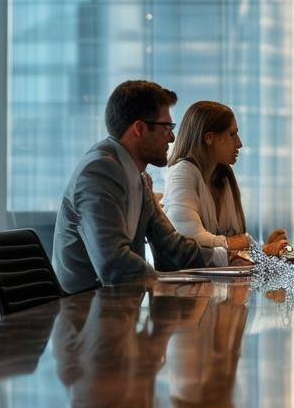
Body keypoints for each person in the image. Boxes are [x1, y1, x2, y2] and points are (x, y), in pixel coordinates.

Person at [52, 80, 227, 294]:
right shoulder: (98, 173)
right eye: (167, 127)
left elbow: (170, 248)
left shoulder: (139, 178)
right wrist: (165, 283)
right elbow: (114, 265)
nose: (172, 137)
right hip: (84, 313)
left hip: (116, 311)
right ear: (139, 129)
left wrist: (227, 257)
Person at [164, 100, 289, 257]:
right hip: (185, 280)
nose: (239, 143)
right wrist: (253, 247)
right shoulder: (182, 172)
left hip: (217, 278)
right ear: (209, 138)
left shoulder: (223, 176)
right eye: (232, 134)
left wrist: (260, 248)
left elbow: (236, 246)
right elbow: (191, 239)